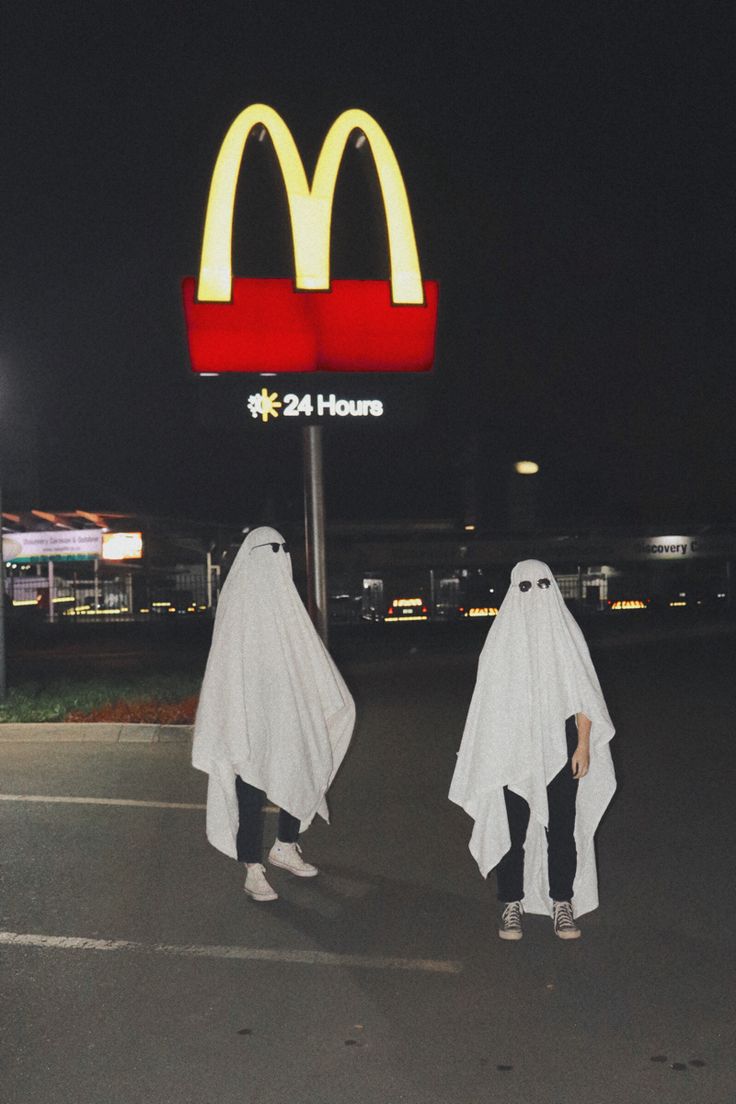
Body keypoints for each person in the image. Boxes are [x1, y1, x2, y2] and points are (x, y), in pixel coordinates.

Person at [449, 559, 616, 940]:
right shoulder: (500, 642)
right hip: (512, 748)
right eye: (525, 586)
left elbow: (584, 696)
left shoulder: (566, 636)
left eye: (542, 584)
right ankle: (511, 902)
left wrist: (584, 744)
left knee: (562, 827)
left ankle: (562, 902)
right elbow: (486, 704)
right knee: (513, 828)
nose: (534, 593)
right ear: (512, 590)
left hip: (561, 746)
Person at [192, 527, 355, 902]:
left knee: (300, 767)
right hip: (249, 718)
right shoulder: (239, 606)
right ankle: (252, 867)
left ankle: (285, 844)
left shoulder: (288, 605)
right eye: (271, 550)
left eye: (283, 549)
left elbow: (308, 657)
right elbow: (226, 669)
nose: (279, 557)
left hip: (289, 713)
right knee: (250, 785)